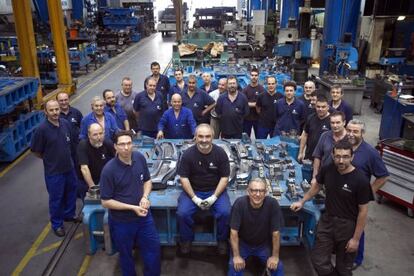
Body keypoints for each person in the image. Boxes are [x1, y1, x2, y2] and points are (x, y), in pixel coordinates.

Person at [291, 140, 371, 276]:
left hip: (347, 226)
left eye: (345, 157)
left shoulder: (361, 180)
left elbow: (363, 212)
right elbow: (317, 186)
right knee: (318, 260)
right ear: (333, 156)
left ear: (352, 157)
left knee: (344, 267)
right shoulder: (328, 168)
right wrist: (302, 201)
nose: (341, 160)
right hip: (327, 220)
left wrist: (356, 239)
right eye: (338, 156)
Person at [100, 130, 161, 276]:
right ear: (115, 146)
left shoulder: (139, 158)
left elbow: (147, 181)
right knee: (126, 255)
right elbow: (105, 202)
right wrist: (133, 208)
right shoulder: (109, 170)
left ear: (133, 144)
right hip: (122, 222)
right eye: (122, 144)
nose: (126, 148)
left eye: (128, 143)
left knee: (153, 250)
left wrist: (145, 197)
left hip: (144, 218)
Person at [176, 124, 231, 255]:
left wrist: (214, 197)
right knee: (182, 213)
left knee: (225, 213)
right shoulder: (188, 155)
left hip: (215, 190)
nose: (204, 140)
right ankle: (186, 239)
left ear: (213, 137)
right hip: (193, 190)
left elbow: (224, 177)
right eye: (200, 136)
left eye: (207, 136)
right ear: (195, 137)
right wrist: (194, 198)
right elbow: (184, 178)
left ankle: (222, 239)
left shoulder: (220, 154)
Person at [345, 119, 389, 269]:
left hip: (357, 199)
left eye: (355, 131)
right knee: (344, 224)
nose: (351, 134)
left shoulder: (370, 153)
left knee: (358, 226)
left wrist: (369, 193)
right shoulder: (343, 147)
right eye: (349, 130)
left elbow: (383, 176)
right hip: (342, 195)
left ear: (362, 133)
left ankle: (356, 258)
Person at [31, 100, 78, 237]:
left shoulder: (65, 124)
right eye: (51, 110)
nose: (55, 112)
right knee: (56, 199)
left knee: (71, 192)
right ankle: (57, 224)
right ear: (46, 112)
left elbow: (71, 143)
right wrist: (49, 159)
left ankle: (69, 215)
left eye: (57, 109)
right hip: (54, 172)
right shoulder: (42, 130)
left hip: (69, 167)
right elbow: (35, 151)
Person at [229, 178, 284, 276]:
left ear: (266, 192)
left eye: (261, 191)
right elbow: (233, 232)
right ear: (248, 191)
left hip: (263, 245)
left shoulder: (272, 204)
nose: (258, 194)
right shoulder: (240, 204)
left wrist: (275, 257)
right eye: (254, 190)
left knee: (277, 266)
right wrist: (236, 256)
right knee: (234, 266)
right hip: (243, 244)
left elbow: (276, 233)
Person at [77, 123, 114, 199]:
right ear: (89, 135)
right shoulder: (83, 146)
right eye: (95, 135)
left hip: (102, 180)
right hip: (86, 181)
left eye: (101, 133)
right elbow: (84, 169)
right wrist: (93, 188)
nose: (99, 137)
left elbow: (117, 159)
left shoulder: (107, 143)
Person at [311, 111, 348, 184]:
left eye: (338, 122)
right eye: (332, 123)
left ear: (344, 123)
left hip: (342, 181)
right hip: (324, 178)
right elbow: (317, 156)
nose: (335, 125)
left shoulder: (349, 139)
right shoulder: (324, 135)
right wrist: (315, 177)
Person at [298, 95, 331, 162]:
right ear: (315, 107)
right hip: (309, 154)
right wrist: (301, 152)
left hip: (324, 158)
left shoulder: (332, 121)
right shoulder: (310, 117)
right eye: (318, 107)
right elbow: (305, 135)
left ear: (328, 107)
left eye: (323, 107)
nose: (320, 109)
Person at [242, 68, 265, 137]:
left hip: (258, 119)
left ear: (258, 76)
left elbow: (263, 104)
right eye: (252, 75)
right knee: (246, 139)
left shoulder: (262, 89)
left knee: (259, 139)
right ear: (250, 76)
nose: (254, 77)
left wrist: (249, 104)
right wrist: (256, 104)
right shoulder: (245, 90)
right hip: (247, 119)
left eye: (256, 75)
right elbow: (243, 104)